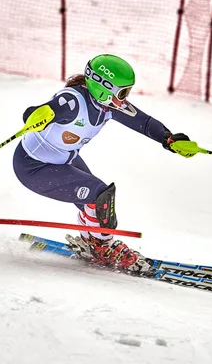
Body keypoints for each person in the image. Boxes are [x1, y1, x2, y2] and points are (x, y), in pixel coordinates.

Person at [13, 54, 193, 273]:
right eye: (122, 92)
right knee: (100, 197)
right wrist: (37, 114)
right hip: (34, 167)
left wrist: (168, 138)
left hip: (62, 160)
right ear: (103, 87)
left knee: (95, 203)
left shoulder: (108, 105)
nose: (125, 98)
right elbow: (49, 108)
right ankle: (102, 247)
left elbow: (143, 122)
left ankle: (92, 240)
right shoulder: (73, 101)